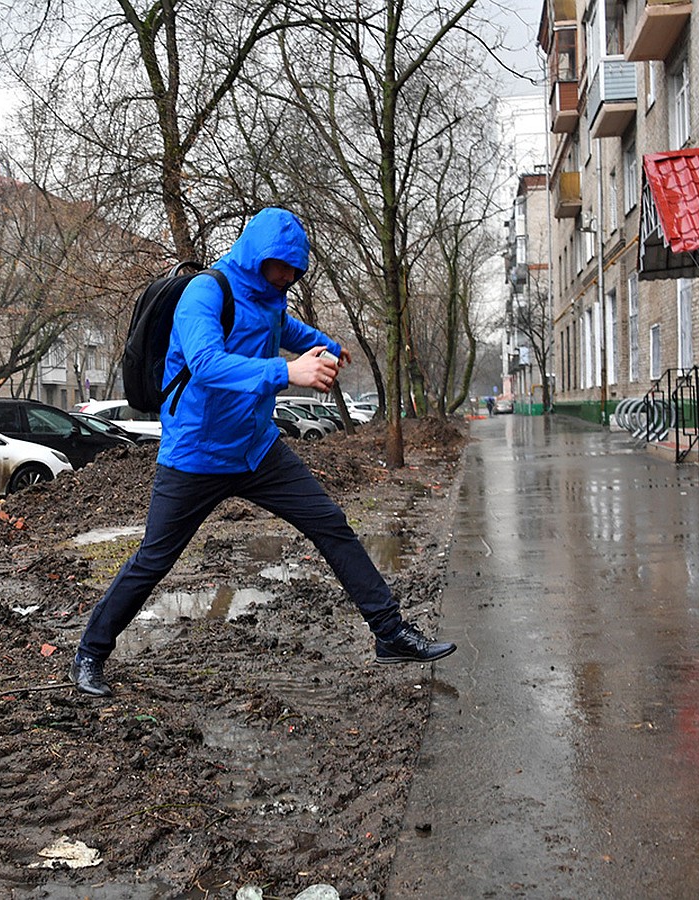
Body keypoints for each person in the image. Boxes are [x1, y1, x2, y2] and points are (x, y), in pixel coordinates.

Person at [68, 207, 456, 697]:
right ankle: (89, 653)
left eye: (297, 269)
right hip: (196, 455)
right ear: (258, 255)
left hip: (256, 450)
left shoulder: (271, 298)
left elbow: (286, 331)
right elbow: (207, 364)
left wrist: (327, 343)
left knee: (330, 524)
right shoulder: (205, 293)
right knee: (153, 559)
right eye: (283, 266)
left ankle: (389, 632)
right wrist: (287, 374)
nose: (290, 276)